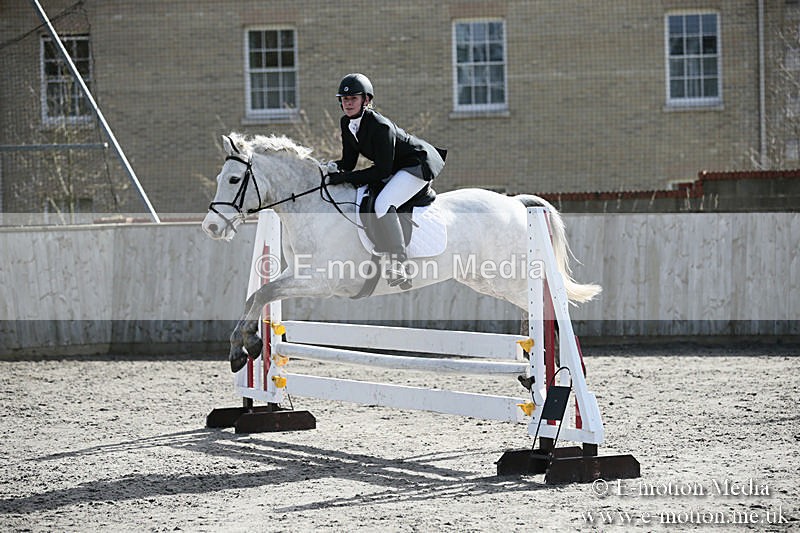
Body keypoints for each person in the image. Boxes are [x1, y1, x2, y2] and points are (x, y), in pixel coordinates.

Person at [326, 73, 445, 289]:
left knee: (383, 203)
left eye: (353, 98)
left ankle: (399, 263)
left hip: (417, 163)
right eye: (344, 99)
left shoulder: (380, 126)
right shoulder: (346, 123)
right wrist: (326, 169)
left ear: (366, 100)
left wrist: (345, 177)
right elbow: (349, 162)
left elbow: (381, 170)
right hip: (395, 166)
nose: (348, 103)